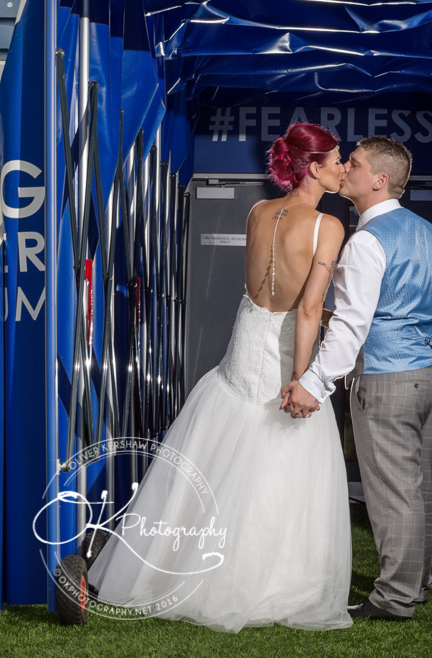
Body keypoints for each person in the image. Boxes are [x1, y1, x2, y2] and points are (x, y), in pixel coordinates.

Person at [88, 122, 352, 632]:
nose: (344, 168)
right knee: (280, 469)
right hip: (280, 355)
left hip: (240, 349)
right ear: (314, 168)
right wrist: (302, 380)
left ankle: (171, 571)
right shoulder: (329, 226)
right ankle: (263, 583)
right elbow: (308, 310)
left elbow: (256, 288)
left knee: (216, 462)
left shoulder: (257, 212)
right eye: (338, 160)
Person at [282, 137, 432, 622]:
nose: (347, 171)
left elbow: (351, 328)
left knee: (394, 492)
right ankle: (414, 585)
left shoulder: (366, 241)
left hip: (388, 378)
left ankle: (395, 598)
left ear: (379, 180)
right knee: (422, 489)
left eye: (354, 165)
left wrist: (312, 384)